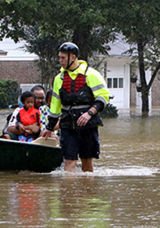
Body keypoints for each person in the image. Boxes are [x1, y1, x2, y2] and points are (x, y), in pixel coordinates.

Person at [40, 42, 109, 172]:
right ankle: (68, 191)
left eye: (63, 58)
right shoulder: (58, 78)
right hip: (67, 125)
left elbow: (103, 97)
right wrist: (49, 127)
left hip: (87, 124)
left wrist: (89, 113)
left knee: (87, 160)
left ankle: (87, 190)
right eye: (59, 57)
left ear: (73, 57)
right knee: (69, 160)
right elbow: (55, 105)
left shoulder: (92, 74)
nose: (60, 61)